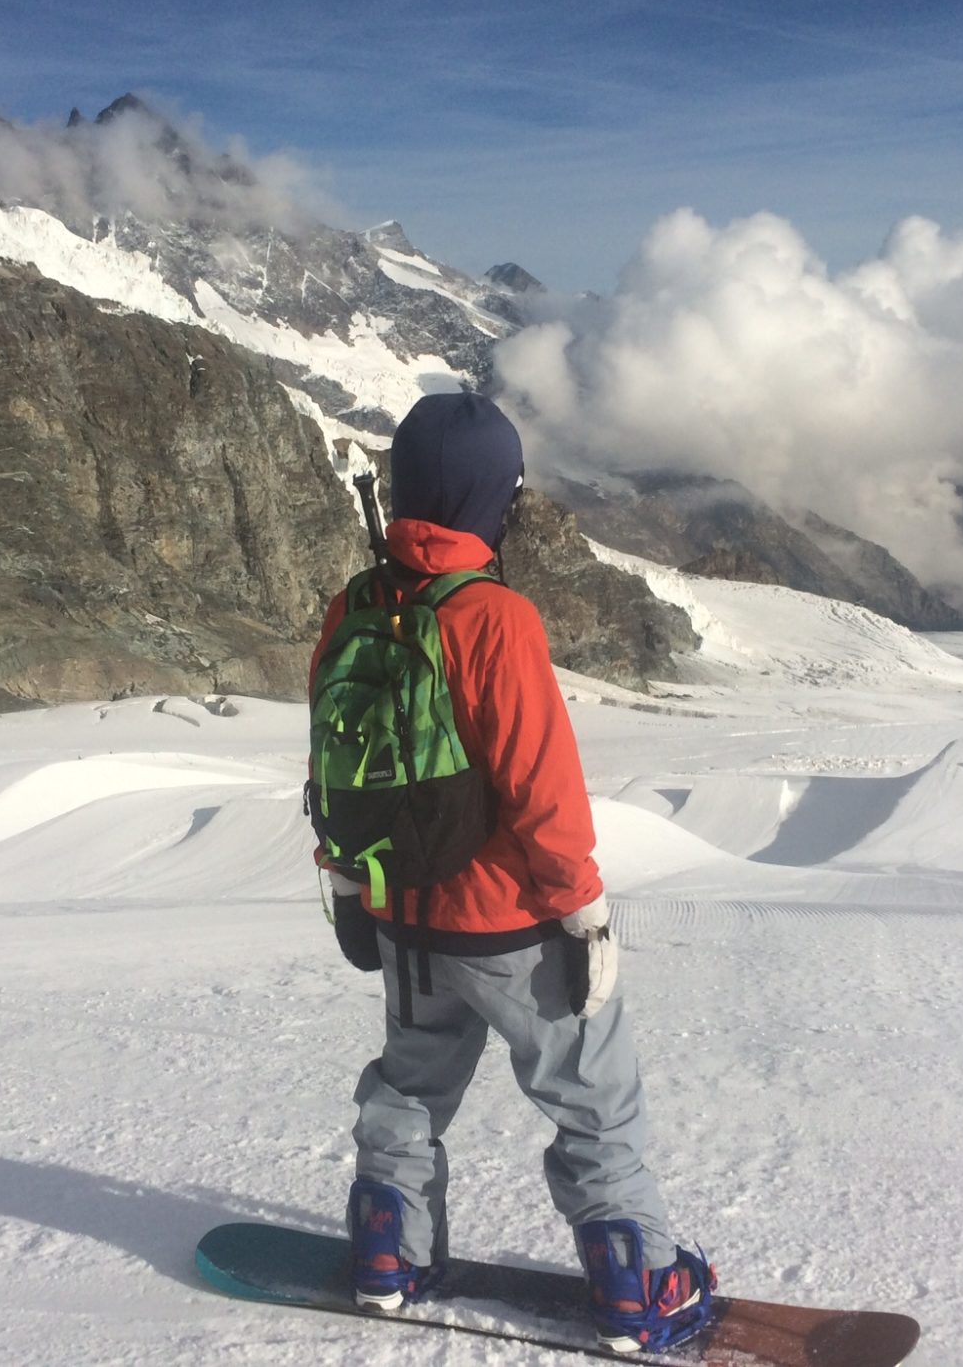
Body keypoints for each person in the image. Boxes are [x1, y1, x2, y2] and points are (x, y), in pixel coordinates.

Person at [308, 392, 714, 1355]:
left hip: (403, 915)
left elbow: (333, 756)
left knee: (410, 1085)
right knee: (592, 1095)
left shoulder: (357, 605)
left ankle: (387, 1254)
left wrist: (347, 882)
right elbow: (541, 781)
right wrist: (583, 908)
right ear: (496, 497)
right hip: (509, 924)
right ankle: (637, 1285)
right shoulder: (494, 616)